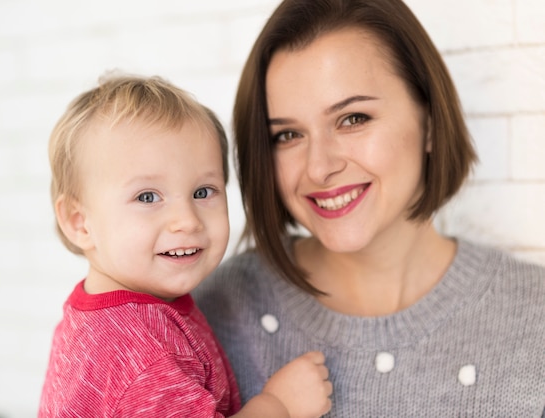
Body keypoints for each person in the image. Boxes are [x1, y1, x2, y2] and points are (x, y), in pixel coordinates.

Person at [194, 0, 545, 416]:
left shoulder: (533, 316)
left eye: (353, 118)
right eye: (288, 134)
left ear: (429, 123)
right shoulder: (210, 313)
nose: (319, 167)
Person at [37, 73, 332, 417]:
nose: (187, 220)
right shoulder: (139, 352)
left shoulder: (108, 319)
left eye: (203, 192)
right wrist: (280, 405)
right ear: (79, 222)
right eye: (148, 196)